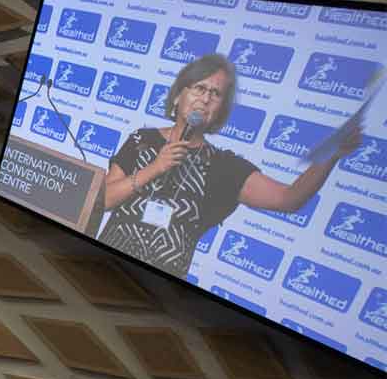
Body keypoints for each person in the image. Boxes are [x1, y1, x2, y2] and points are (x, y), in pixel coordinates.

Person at [96, 53, 361, 277]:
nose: (205, 98)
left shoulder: (225, 167)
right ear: (177, 96)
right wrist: (154, 168)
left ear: (220, 111)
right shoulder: (143, 140)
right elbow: (103, 200)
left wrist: (332, 154)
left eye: (216, 94)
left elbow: (289, 199)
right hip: (104, 267)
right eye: (199, 88)